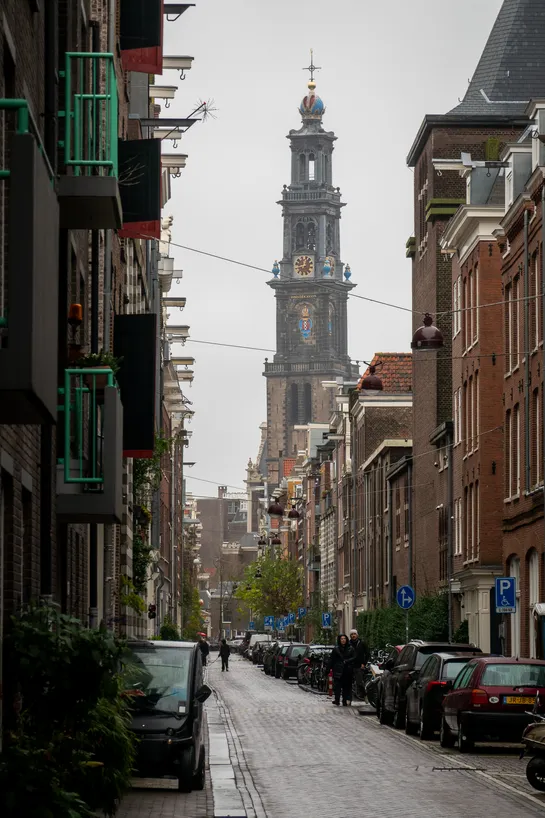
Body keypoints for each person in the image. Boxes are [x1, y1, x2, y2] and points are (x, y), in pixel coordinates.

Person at [327, 634, 355, 706]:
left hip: (347, 670)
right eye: (341, 639)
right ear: (339, 640)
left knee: (346, 687)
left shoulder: (350, 648)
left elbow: (354, 657)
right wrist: (328, 669)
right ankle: (337, 700)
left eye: (344, 639)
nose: (343, 640)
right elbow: (332, 659)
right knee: (337, 687)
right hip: (338, 669)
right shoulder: (336, 649)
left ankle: (344, 700)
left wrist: (347, 661)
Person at [349, 629, 370, 698]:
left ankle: (364, 695)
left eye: (354, 634)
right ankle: (349, 696)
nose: (353, 635)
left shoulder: (362, 643)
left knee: (359, 681)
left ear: (357, 635)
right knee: (348, 681)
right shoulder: (348, 644)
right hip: (350, 665)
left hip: (359, 665)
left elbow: (367, 654)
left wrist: (364, 663)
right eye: (352, 634)